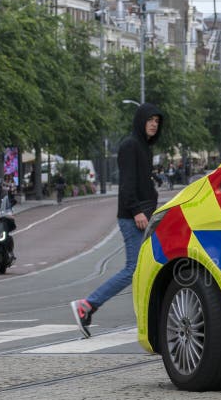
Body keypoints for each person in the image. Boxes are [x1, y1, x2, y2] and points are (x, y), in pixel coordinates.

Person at [70, 102, 163, 338]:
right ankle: (87, 305)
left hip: (145, 216)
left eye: (157, 121)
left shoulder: (143, 147)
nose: (154, 124)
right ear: (140, 120)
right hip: (135, 218)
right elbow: (127, 185)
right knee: (133, 269)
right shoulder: (130, 145)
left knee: (153, 265)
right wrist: (136, 211)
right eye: (150, 120)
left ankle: (155, 317)